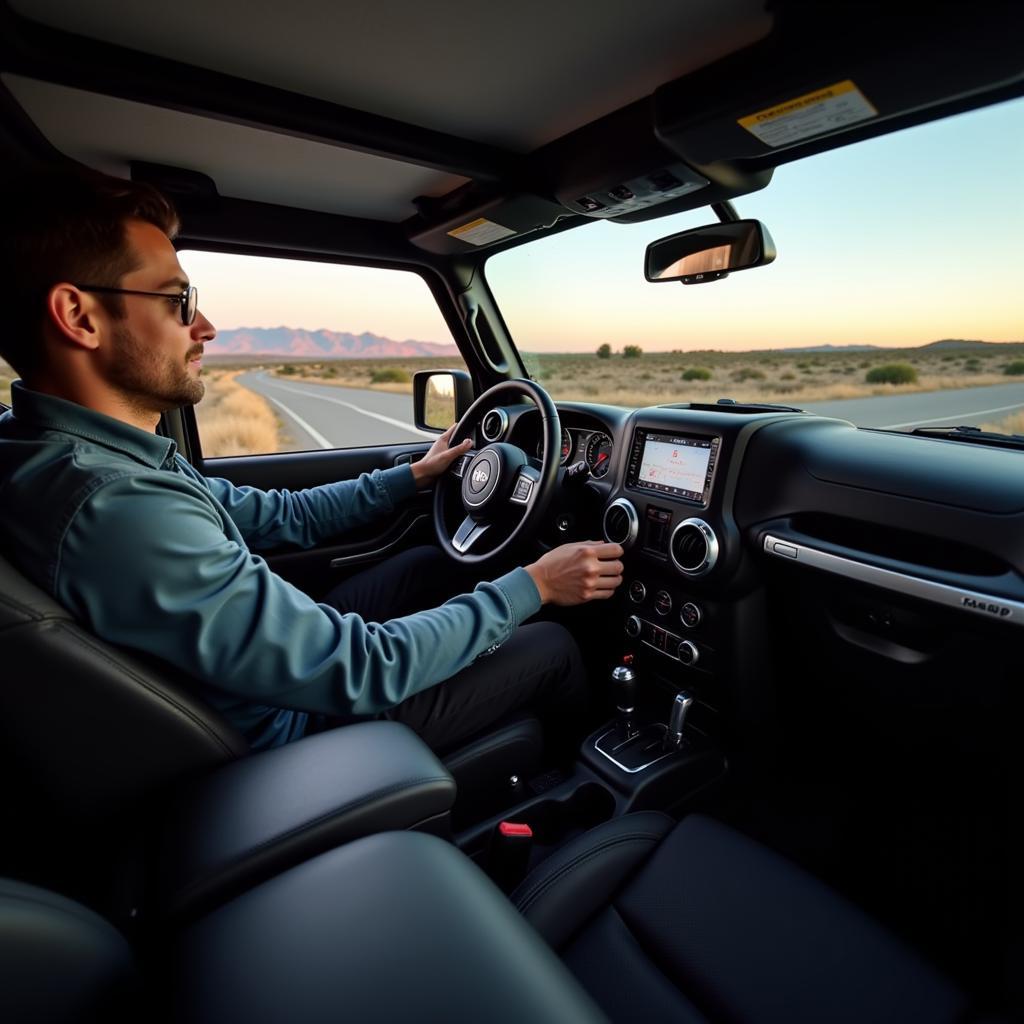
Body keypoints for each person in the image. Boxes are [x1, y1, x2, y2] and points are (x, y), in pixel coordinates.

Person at [0, 168, 624, 755]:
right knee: (552, 645)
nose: (207, 327)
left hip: (263, 682)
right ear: (79, 317)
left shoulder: (80, 455)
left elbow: (274, 516)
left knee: (430, 565)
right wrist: (537, 584)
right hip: (288, 728)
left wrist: (410, 477)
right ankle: (574, 801)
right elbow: (360, 668)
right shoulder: (115, 505)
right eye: (177, 302)